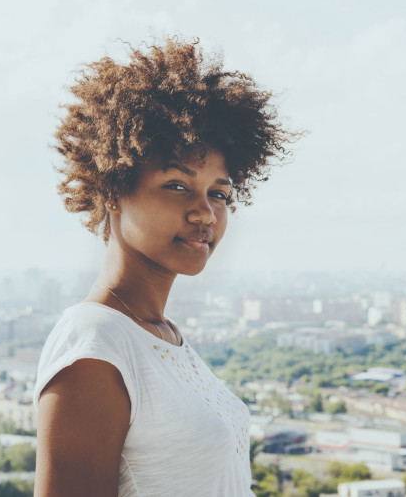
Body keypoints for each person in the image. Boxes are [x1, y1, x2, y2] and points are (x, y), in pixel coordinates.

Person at [32, 37, 299, 497]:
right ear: (113, 189)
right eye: (177, 185)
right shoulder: (95, 344)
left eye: (219, 193)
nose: (205, 213)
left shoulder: (161, 334)